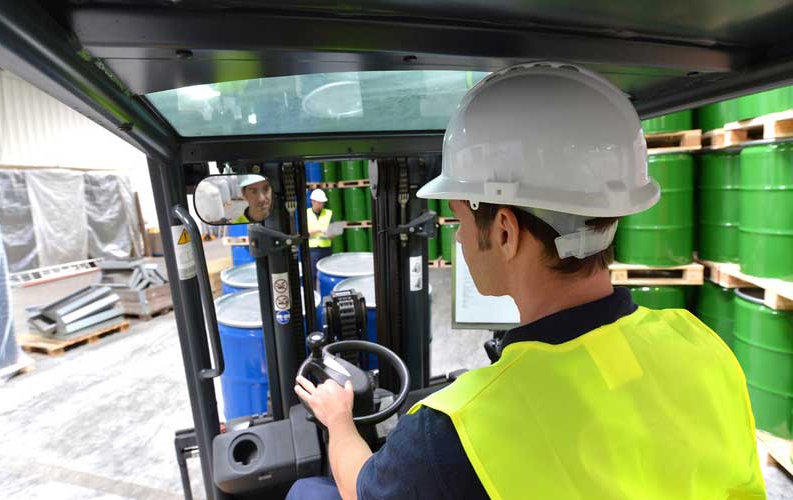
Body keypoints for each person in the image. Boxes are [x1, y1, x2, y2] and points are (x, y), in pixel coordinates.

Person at [289, 62, 766, 500]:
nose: (455, 239)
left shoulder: (455, 431)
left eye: (457, 219)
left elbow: (361, 490)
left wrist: (339, 421)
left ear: (503, 231)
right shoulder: (701, 346)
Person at [306, 189, 332, 289]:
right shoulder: (306, 214)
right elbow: (302, 234)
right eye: (319, 202)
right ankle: (313, 296)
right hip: (312, 250)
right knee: (312, 275)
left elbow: (333, 231)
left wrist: (330, 233)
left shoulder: (328, 213)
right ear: (313, 201)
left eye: (322, 203)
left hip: (326, 249)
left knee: (326, 274)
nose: (321, 205)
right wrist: (318, 230)